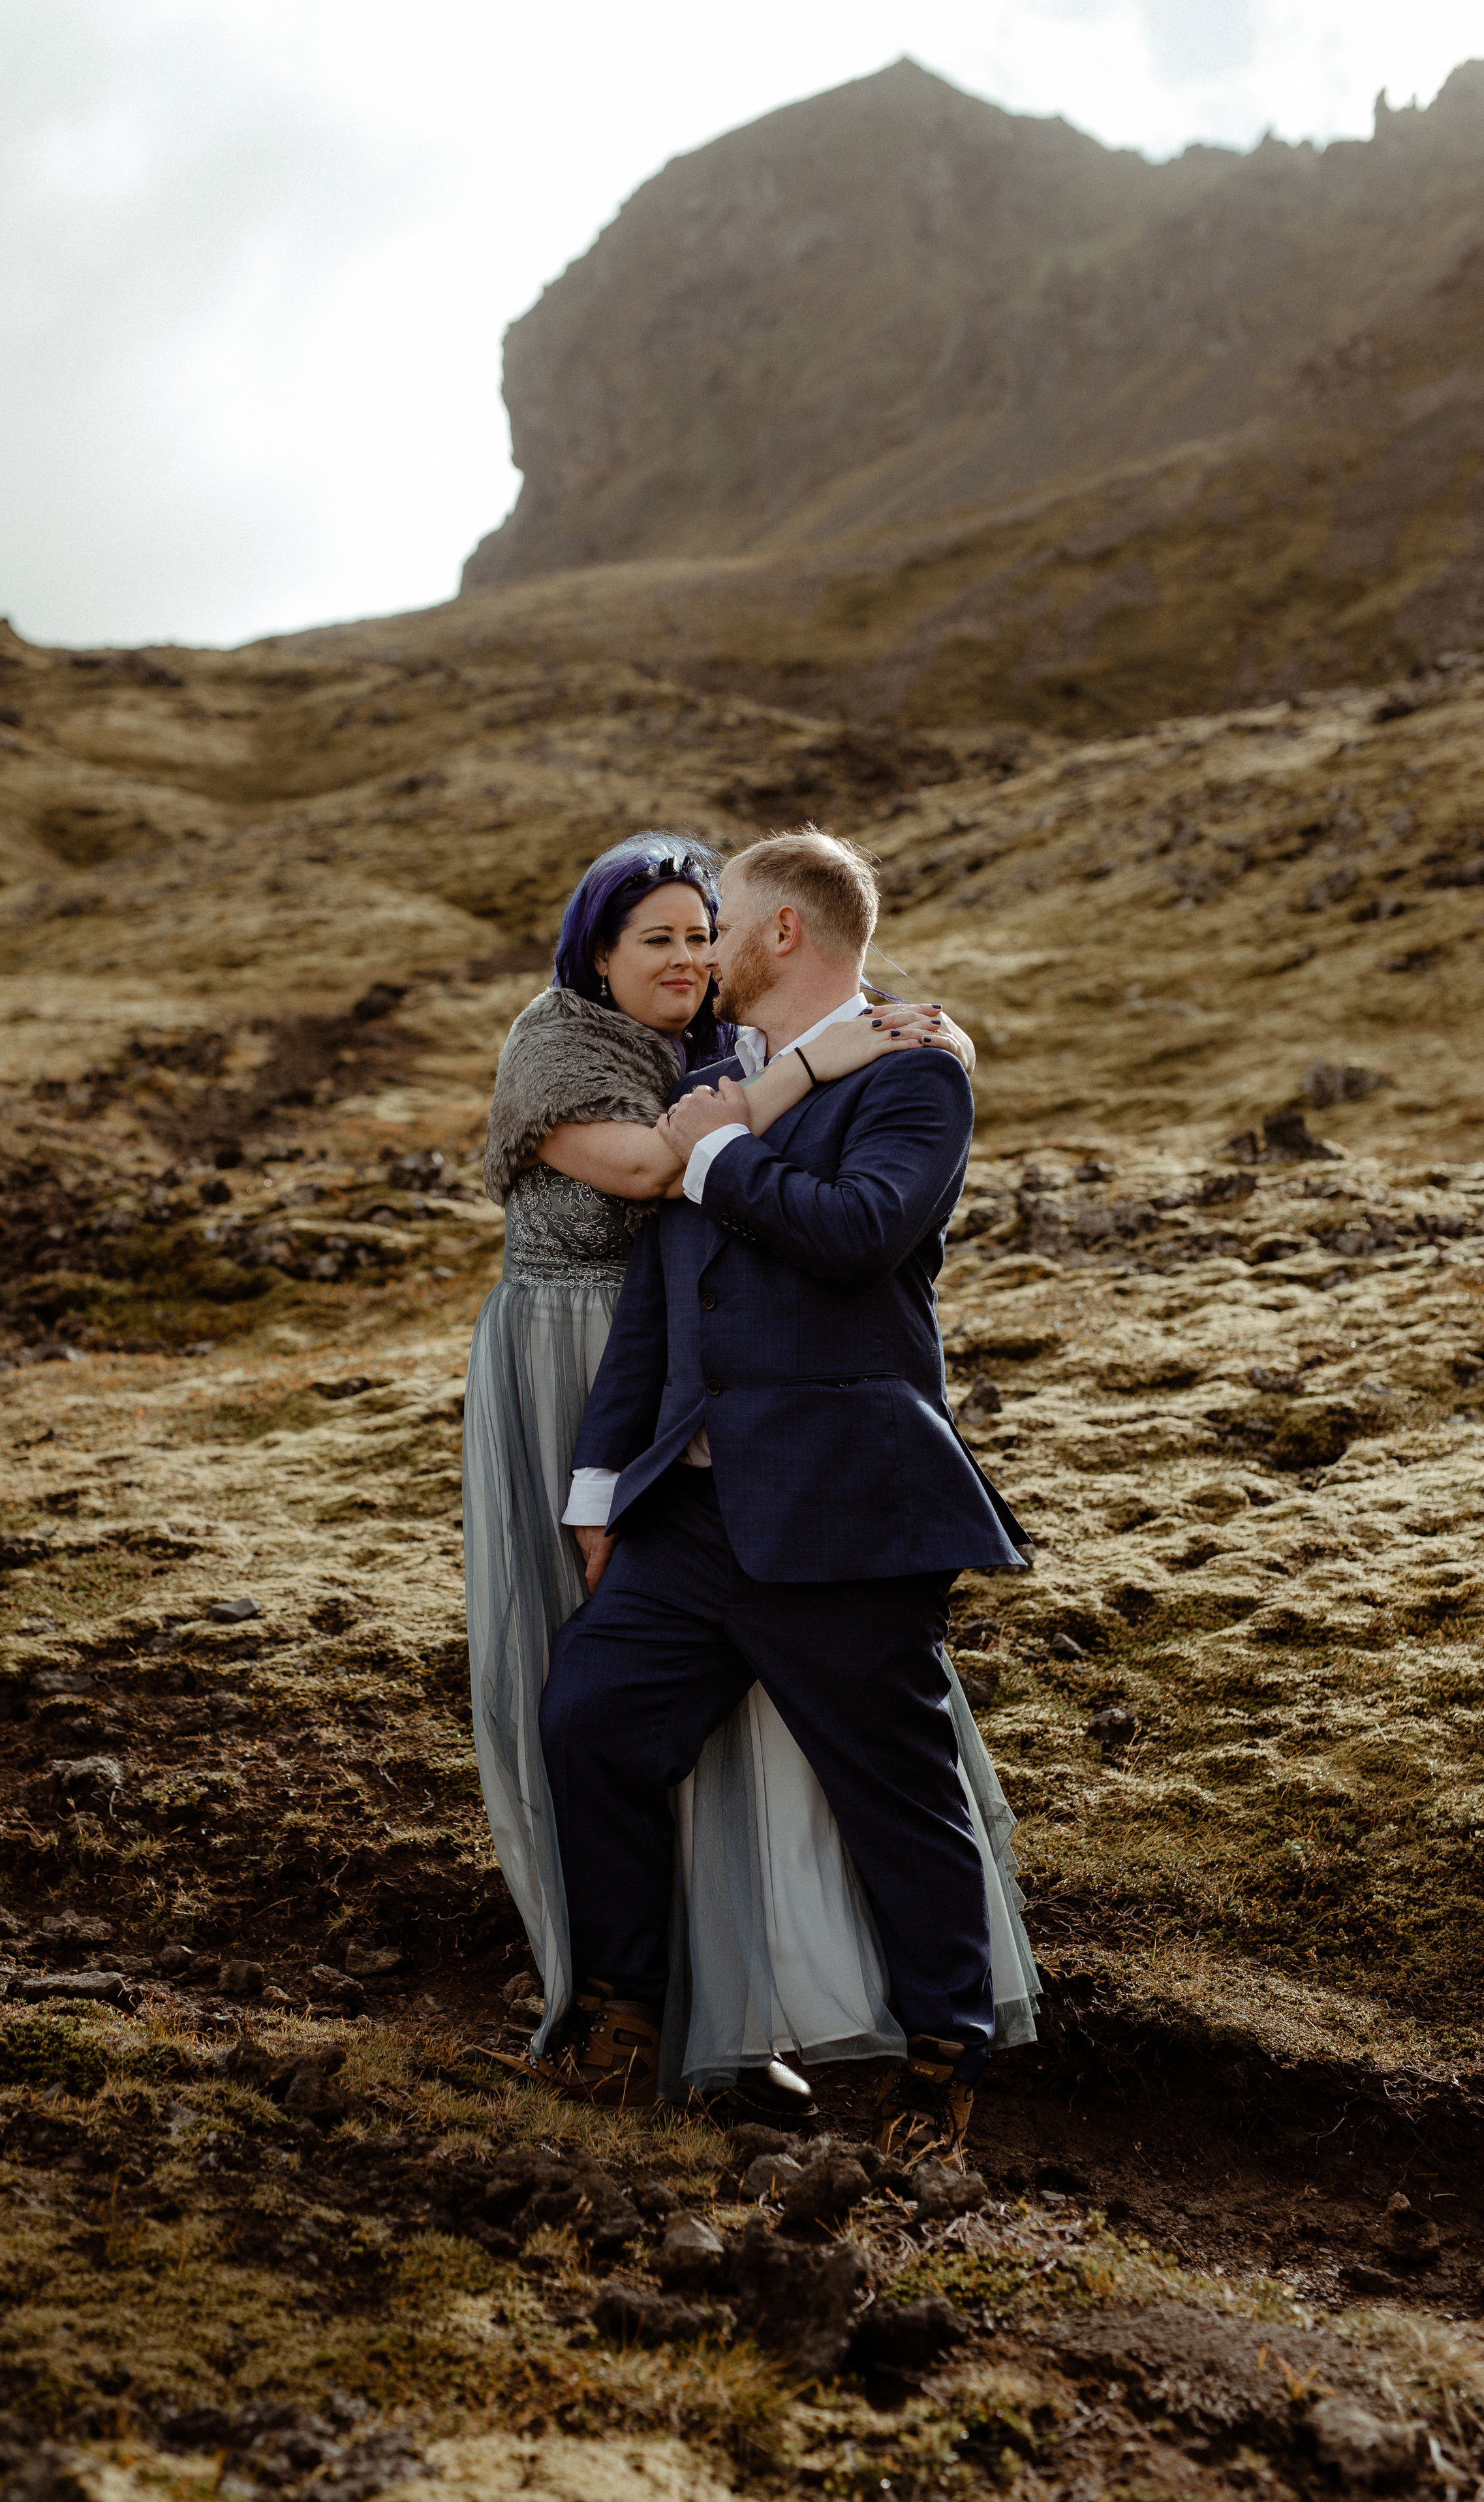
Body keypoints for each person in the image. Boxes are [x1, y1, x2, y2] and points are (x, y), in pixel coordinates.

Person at [463, 830, 1036, 2115]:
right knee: (590, 1724)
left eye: (719, 926)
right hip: (689, 1515)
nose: (702, 950)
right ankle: (619, 2017)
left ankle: (943, 2062)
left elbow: (862, 1234)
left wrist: (720, 1156)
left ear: (781, 934)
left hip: (838, 1508)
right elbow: (658, 1315)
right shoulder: (722, 1082)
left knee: (892, 1788)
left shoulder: (911, 1077)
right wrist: (603, 1488)